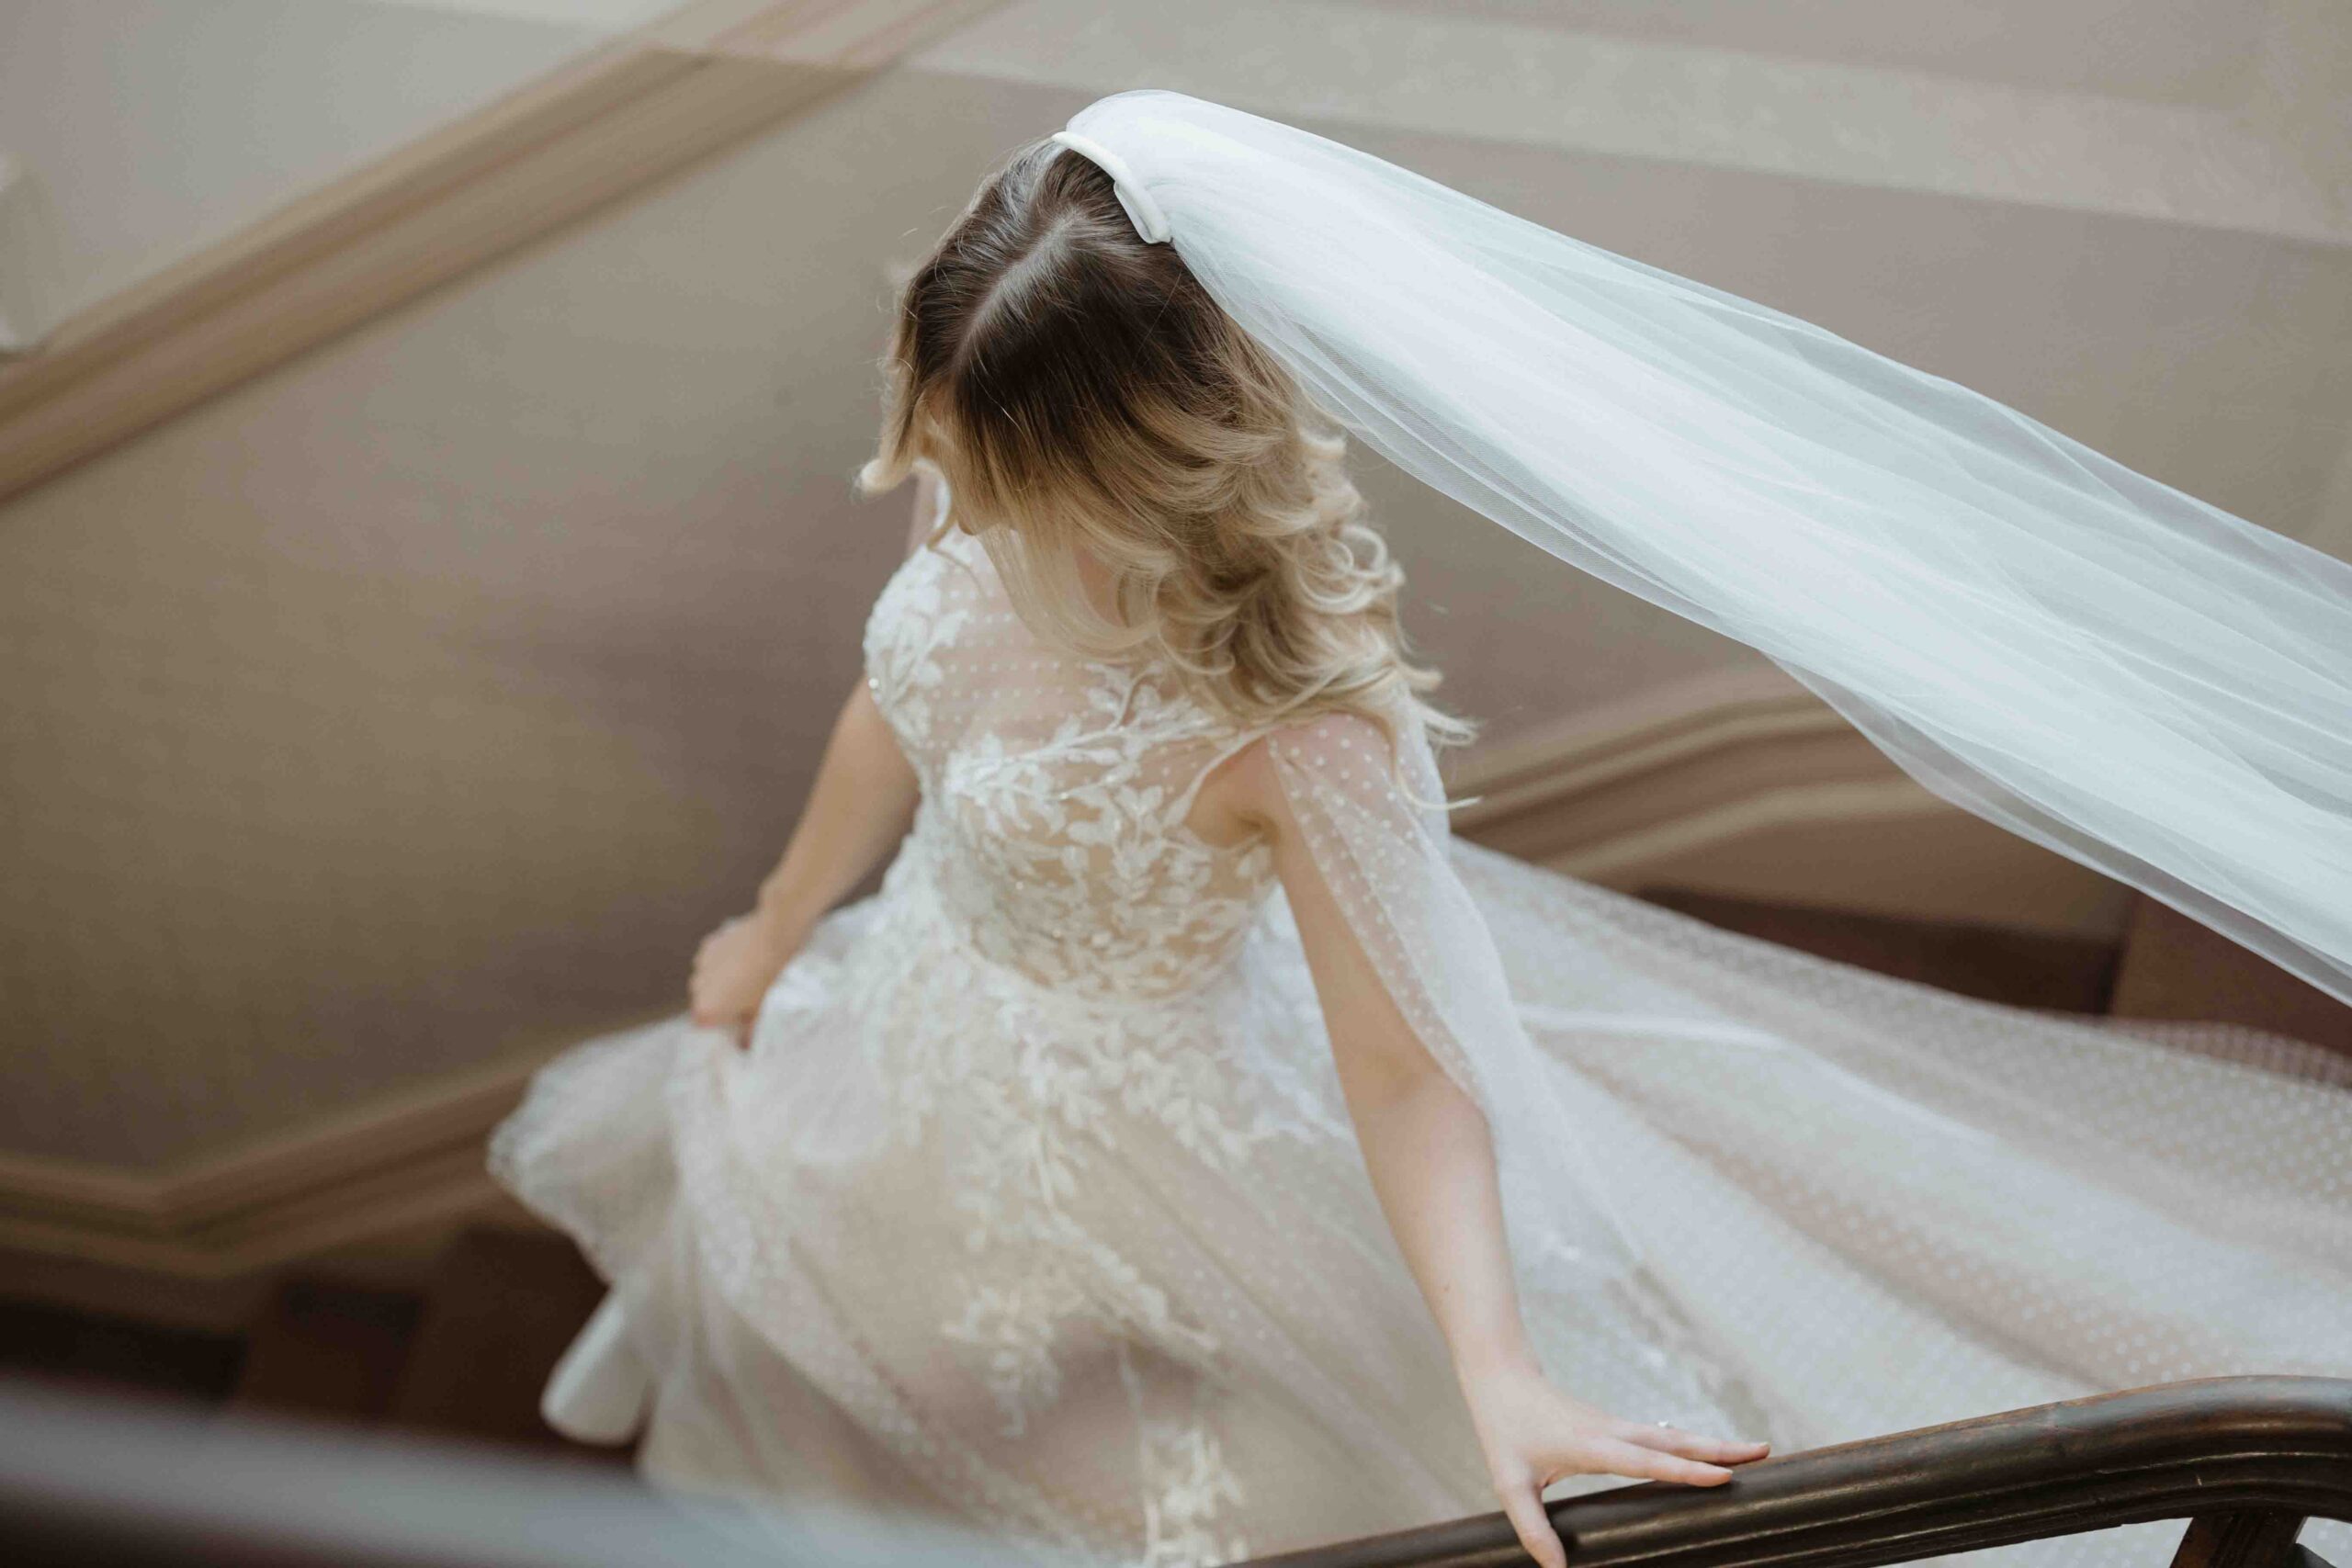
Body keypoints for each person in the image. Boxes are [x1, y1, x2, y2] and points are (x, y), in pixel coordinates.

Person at [488, 100, 2352, 1568]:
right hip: (919, 1006)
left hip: (1170, 1118)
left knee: (1251, 1459)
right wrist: (775, 915)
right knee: (860, 1316)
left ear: (1143, 468)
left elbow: (1397, 1071)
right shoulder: (981, 491)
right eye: (956, 458)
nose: (954, 504)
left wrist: (1490, 1362)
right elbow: (888, 703)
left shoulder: (1304, 730)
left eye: (1004, 479)